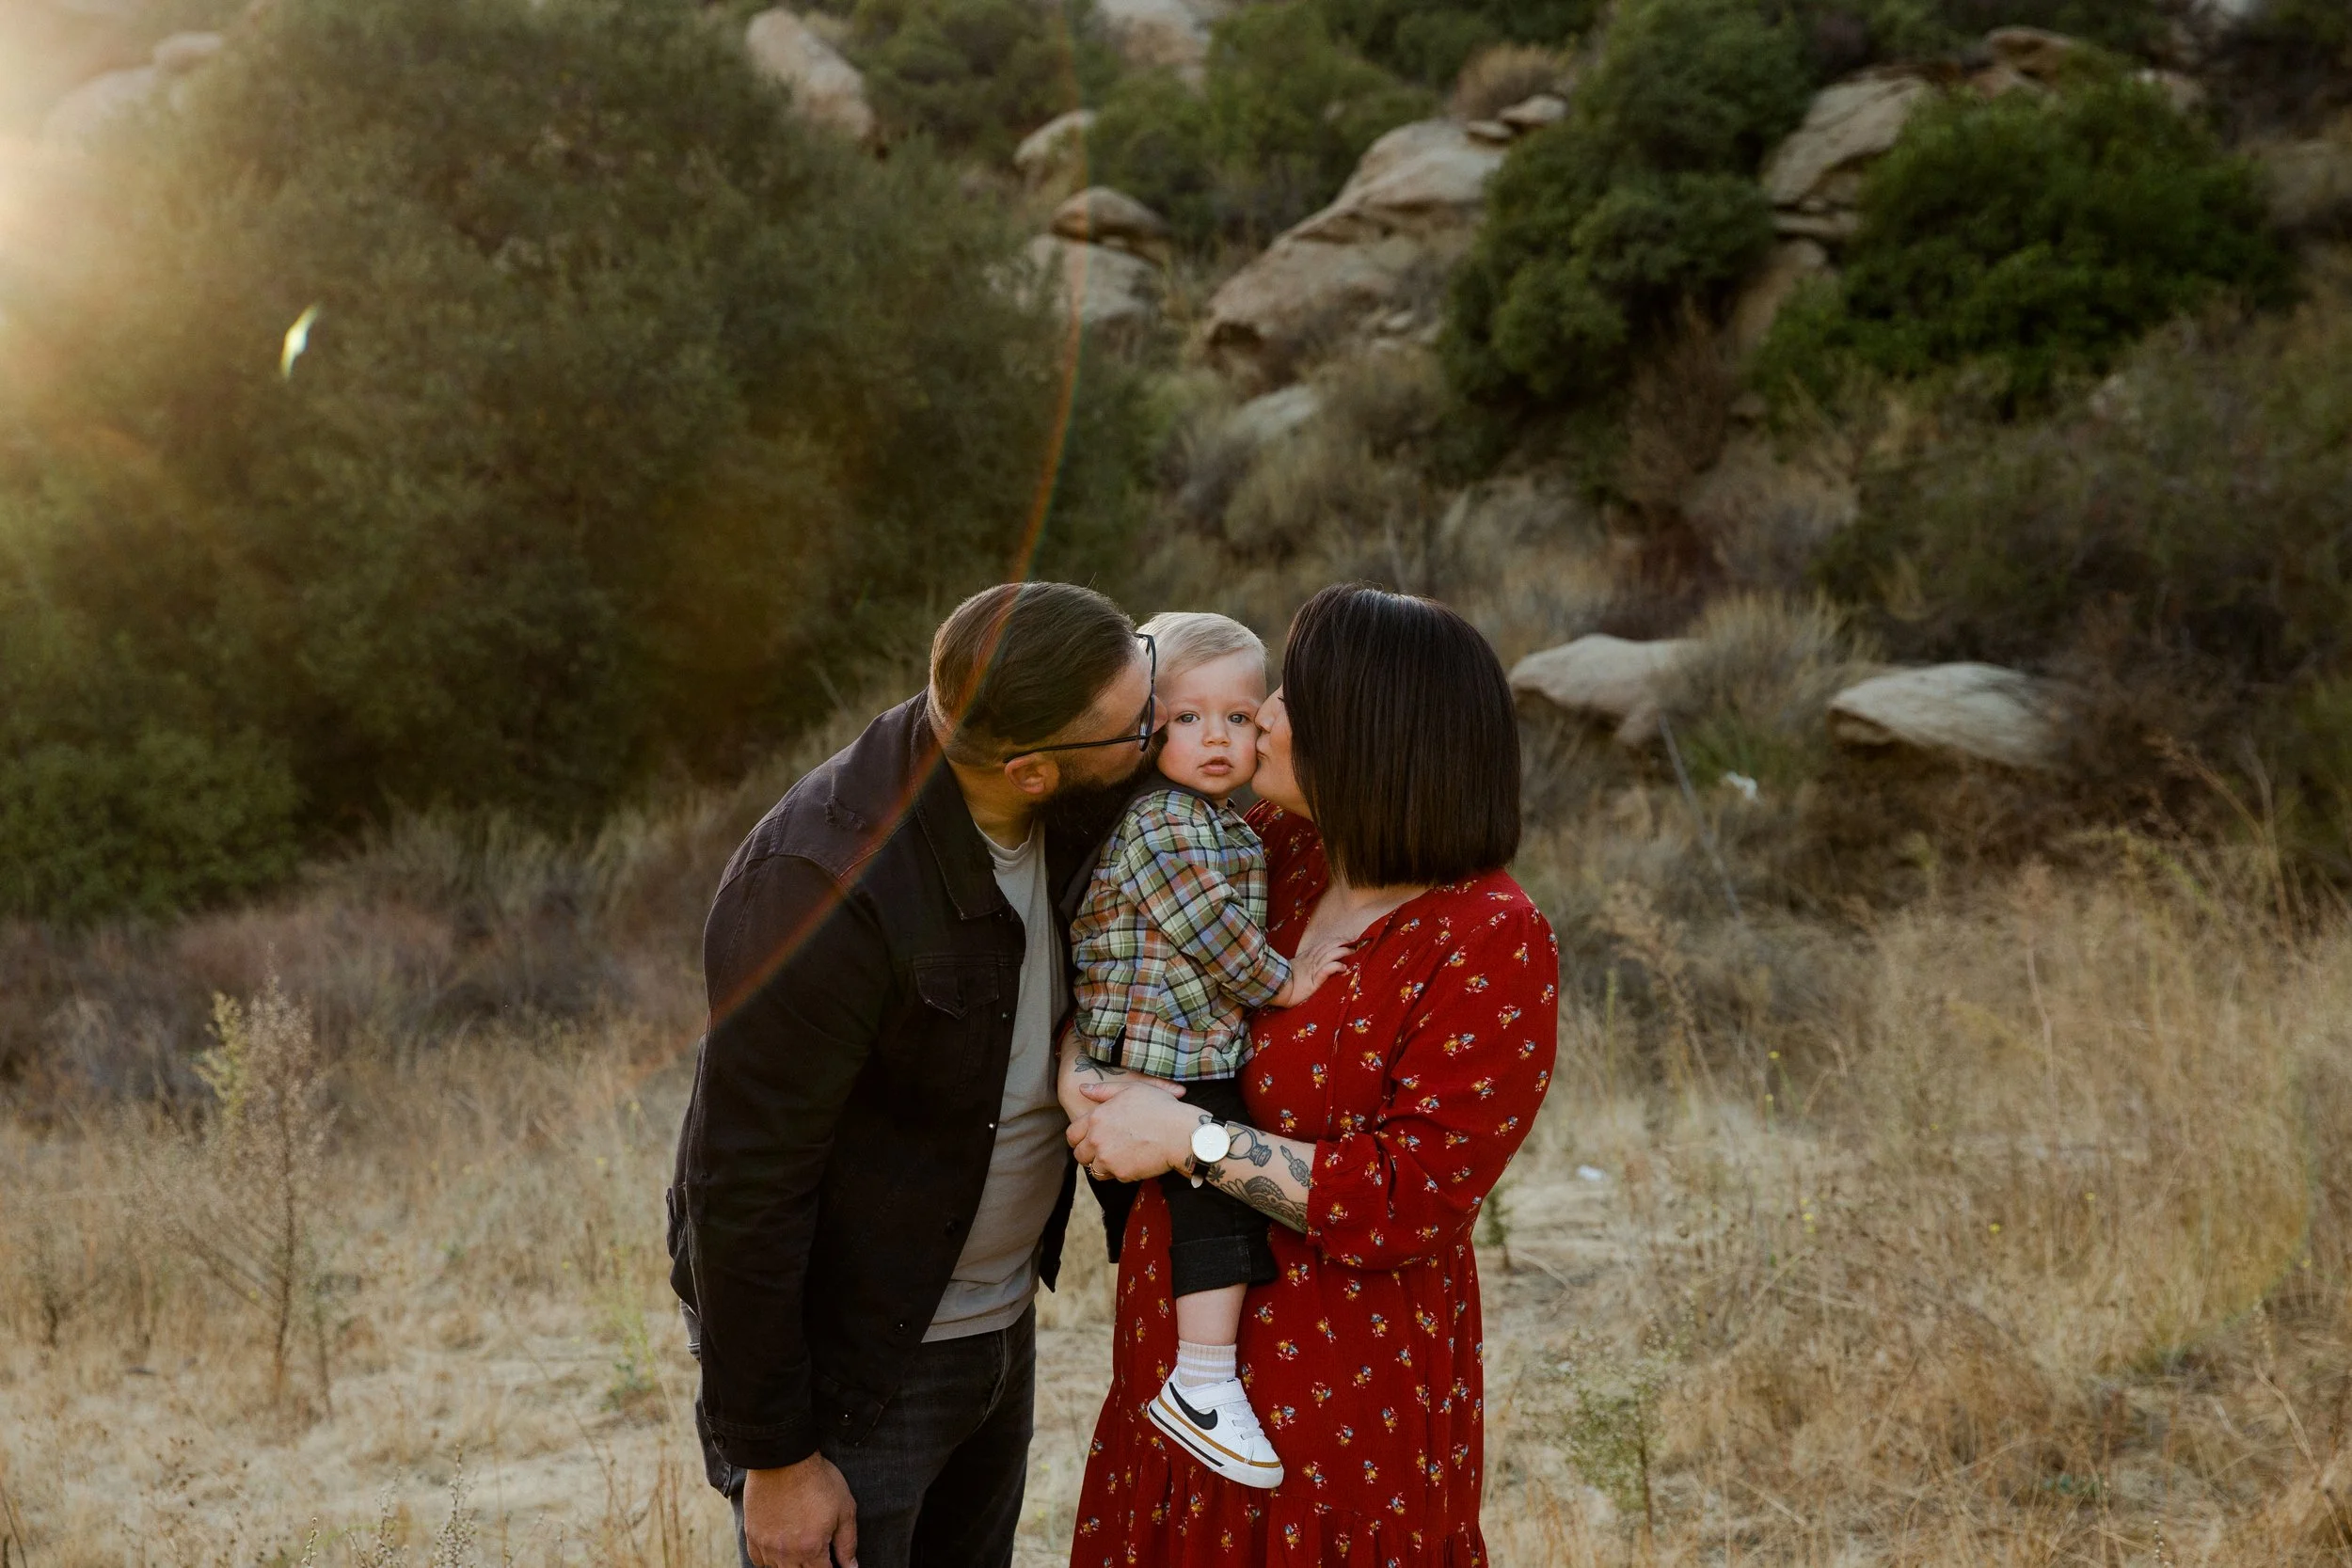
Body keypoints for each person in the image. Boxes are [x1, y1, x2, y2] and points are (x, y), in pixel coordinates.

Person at [1064, 583, 1560, 1566]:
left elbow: (1408, 1197)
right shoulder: (1276, 851)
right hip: (1175, 1345)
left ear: (1365, 737)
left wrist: (1186, 1138)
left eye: (1289, 697)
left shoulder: (1490, 936)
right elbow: (1130, 954)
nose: (1264, 715)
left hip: (1341, 1397)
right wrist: (1081, 1070)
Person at [667, 581, 1155, 1568]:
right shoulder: (821, 883)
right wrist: (777, 1457)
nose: (1153, 733)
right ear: (1030, 770)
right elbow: (743, 1184)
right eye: (1135, 724)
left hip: (996, 1323)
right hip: (856, 1365)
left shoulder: (1064, 795)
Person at [1057, 611, 1353, 1492]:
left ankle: (1189, 1367)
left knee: (1176, 1227)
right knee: (1218, 1211)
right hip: (1167, 1049)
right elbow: (1209, 927)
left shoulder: (1227, 820)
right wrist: (1284, 983)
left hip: (1167, 1038)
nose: (1217, 737)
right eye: (1188, 718)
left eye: (1237, 715)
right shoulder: (1169, 823)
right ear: (1150, 726)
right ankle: (1203, 1381)